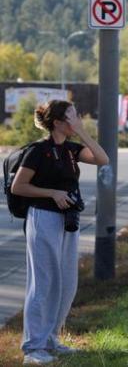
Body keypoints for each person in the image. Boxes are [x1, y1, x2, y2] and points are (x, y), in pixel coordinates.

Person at [12, 100, 109, 365]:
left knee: (66, 282)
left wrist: (81, 132)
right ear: (57, 122)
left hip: (67, 220)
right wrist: (51, 193)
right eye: (73, 116)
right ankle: (33, 348)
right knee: (43, 282)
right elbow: (18, 187)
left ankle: (51, 337)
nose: (78, 118)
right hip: (43, 218)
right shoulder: (38, 151)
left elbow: (103, 159)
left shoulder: (70, 150)